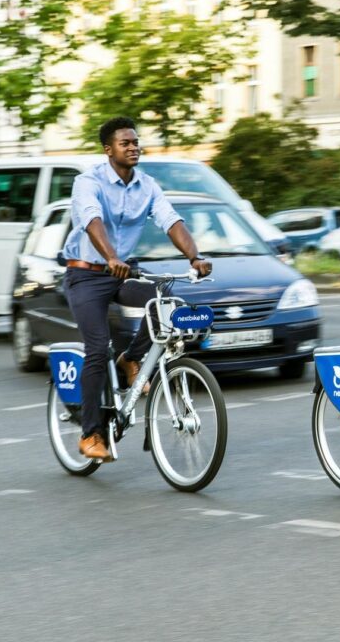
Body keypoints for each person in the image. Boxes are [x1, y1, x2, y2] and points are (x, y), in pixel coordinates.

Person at [62, 117, 212, 461]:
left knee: (165, 306)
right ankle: (90, 434)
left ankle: (131, 357)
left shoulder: (147, 185)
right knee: (97, 350)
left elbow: (170, 220)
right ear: (108, 150)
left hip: (122, 271)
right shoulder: (88, 182)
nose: (133, 147)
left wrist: (195, 256)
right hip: (85, 274)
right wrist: (111, 256)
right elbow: (91, 219)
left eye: (135, 142)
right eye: (124, 143)